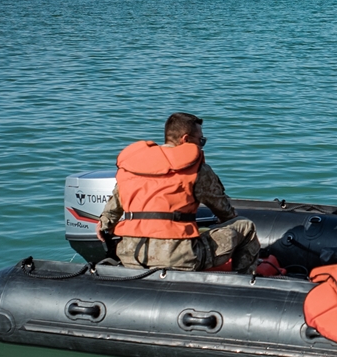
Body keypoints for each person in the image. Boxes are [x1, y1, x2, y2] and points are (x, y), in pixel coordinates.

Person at [97, 113, 260, 272]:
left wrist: (104, 223)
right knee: (246, 227)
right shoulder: (196, 170)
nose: (202, 144)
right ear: (186, 140)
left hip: (130, 255)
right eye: (201, 140)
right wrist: (224, 220)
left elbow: (111, 212)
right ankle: (243, 284)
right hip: (178, 257)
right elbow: (224, 211)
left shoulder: (133, 167)